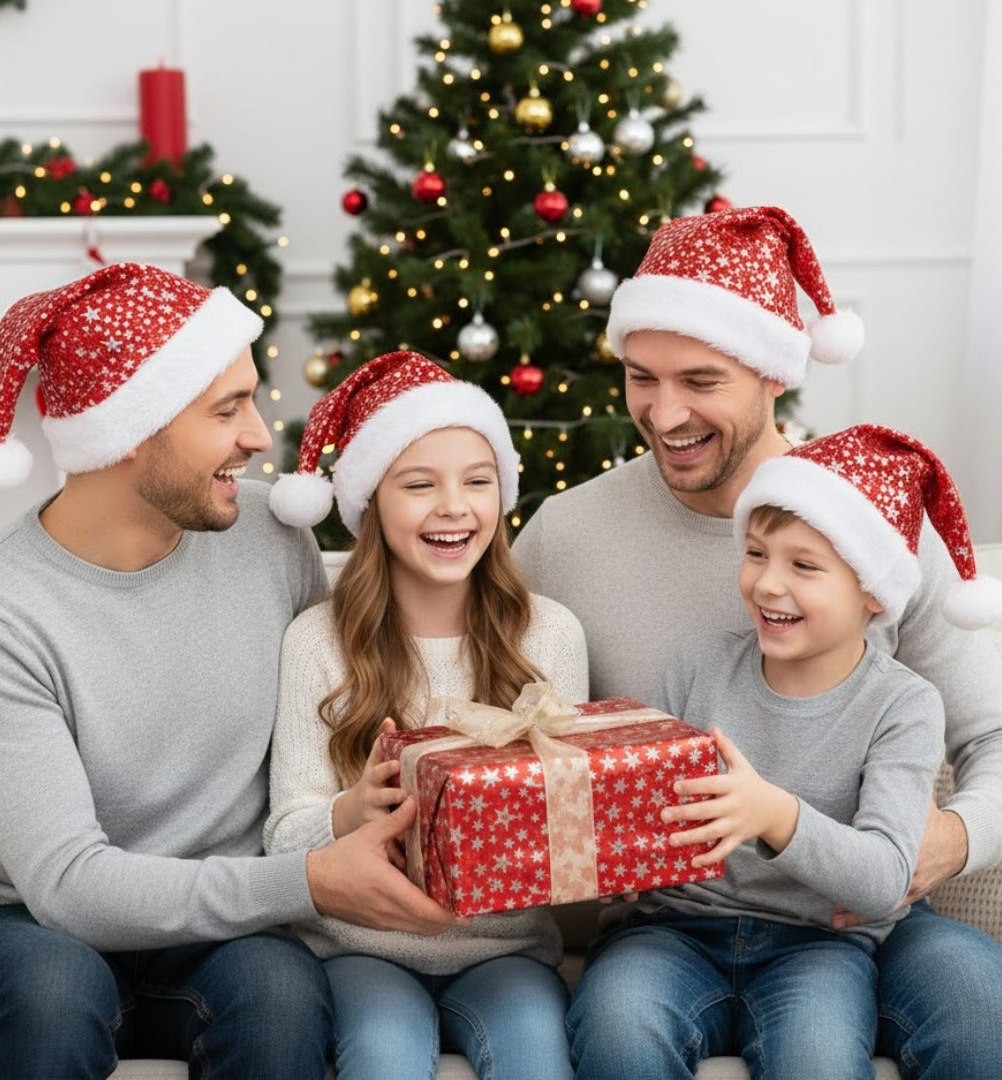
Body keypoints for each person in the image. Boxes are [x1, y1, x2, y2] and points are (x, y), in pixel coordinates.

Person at [0, 264, 463, 1080]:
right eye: (227, 409)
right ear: (131, 429)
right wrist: (311, 883)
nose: (258, 437)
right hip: (24, 928)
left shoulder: (269, 543)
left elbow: (333, 725)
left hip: (223, 934)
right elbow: (68, 884)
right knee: (53, 991)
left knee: (279, 998)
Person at [512, 205, 1002, 1079]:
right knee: (621, 1024)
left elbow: (992, 735)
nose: (664, 414)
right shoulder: (564, 536)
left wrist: (953, 841)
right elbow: (509, 734)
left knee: (977, 1001)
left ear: (774, 374)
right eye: (640, 377)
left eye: (701, 380)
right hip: (677, 919)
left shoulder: (873, 529)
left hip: (859, 910)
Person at [580, 423, 1000, 1076]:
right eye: (756, 554)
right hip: (675, 932)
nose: (769, 584)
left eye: (804, 566)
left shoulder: (904, 704)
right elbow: (645, 826)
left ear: (872, 591)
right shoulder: (696, 668)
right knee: (616, 1020)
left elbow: (885, 877)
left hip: (822, 943)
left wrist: (774, 815)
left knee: (819, 1057)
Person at [265, 350, 589, 1080]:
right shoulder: (318, 643)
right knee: (382, 1056)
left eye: (478, 482)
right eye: (419, 485)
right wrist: (350, 813)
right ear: (371, 503)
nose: (454, 506)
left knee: (537, 1058)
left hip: (505, 951)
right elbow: (284, 835)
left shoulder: (551, 636)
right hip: (357, 950)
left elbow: (567, 836)